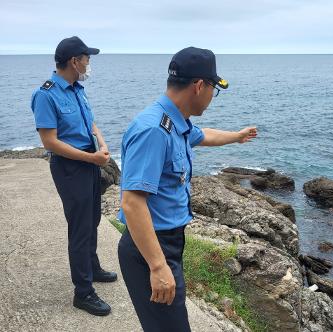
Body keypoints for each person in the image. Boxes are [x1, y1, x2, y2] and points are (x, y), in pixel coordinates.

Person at [118, 47, 258, 332]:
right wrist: (157, 267)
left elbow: (204, 135)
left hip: (165, 242)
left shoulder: (176, 123)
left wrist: (237, 136)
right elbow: (132, 203)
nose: (211, 98)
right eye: (213, 90)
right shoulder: (154, 130)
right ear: (199, 86)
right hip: (151, 246)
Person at [31, 36, 117, 316]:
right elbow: (50, 142)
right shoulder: (46, 94)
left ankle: (91, 267)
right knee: (79, 228)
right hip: (70, 167)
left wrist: (101, 144)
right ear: (74, 61)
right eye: (87, 58)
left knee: (92, 218)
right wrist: (91, 157)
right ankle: (83, 292)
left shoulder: (77, 88)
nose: (89, 63)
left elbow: (90, 122)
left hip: (89, 162)